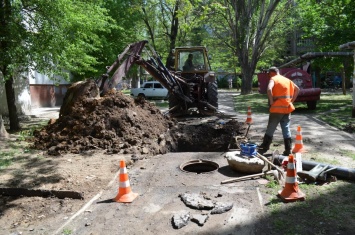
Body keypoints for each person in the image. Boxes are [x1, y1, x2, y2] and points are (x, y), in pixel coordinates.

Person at [258, 66, 300, 156]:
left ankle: (265, 146)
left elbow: (269, 89)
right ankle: (288, 149)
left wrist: (272, 102)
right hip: (287, 108)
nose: (269, 76)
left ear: (271, 73)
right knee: (286, 128)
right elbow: (298, 89)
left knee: (271, 127)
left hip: (277, 108)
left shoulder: (273, 79)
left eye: (269, 75)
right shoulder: (287, 80)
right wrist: (291, 101)